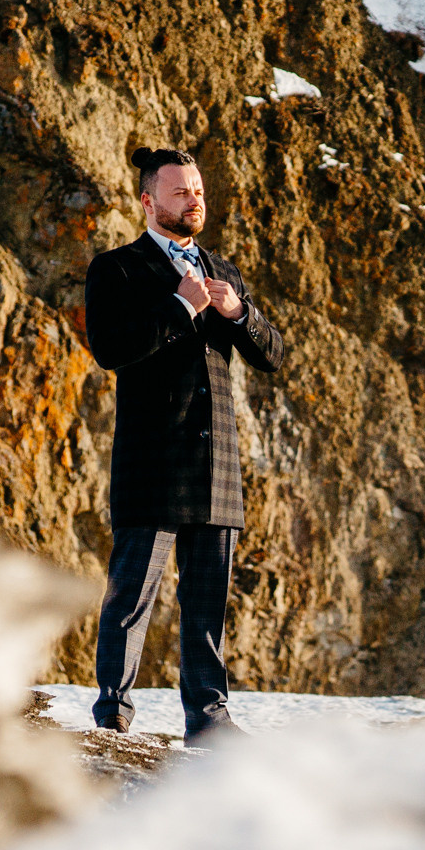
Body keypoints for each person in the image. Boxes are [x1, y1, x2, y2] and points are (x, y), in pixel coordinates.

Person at [82, 147, 287, 742]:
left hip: (216, 464)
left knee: (207, 605)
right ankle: (113, 712)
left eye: (197, 190)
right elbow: (111, 349)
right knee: (130, 598)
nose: (193, 200)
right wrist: (180, 306)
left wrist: (239, 311)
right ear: (148, 202)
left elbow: (273, 355)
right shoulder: (117, 268)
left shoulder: (225, 272)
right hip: (151, 462)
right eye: (180, 192)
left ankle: (209, 716)